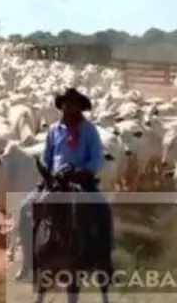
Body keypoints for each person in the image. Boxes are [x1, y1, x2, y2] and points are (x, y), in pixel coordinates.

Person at [15, 87, 113, 282]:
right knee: (25, 208)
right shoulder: (53, 130)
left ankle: (105, 261)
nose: (68, 110)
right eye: (66, 106)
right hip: (54, 180)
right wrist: (47, 173)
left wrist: (82, 171)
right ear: (62, 107)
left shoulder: (89, 130)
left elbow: (97, 158)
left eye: (73, 106)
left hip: (81, 179)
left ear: (79, 109)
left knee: (103, 210)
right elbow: (46, 157)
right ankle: (29, 262)